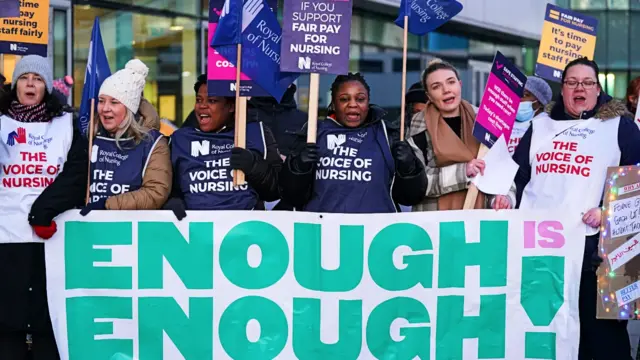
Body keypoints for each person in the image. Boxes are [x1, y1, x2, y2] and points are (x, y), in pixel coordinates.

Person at [513, 57, 640, 360]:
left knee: (606, 342)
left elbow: (636, 181)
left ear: (598, 89)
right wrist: (502, 197)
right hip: (545, 252)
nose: (579, 88)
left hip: (603, 253)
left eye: (587, 82)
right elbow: (515, 177)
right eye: (572, 82)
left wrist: (607, 210)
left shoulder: (620, 128)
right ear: (563, 89)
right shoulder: (539, 127)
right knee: (552, 334)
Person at [0, 55, 87, 359]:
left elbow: (76, 173)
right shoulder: (0, 122)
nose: (30, 84)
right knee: (7, 321)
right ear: (16, 84)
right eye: (25, 78)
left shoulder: (66, 123)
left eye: (37, 79)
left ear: (46, 87)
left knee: (47, 321)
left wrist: (44, 209)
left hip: (50, 236)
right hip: (7, 236)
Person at [279, 72, 427, 213]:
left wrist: (409, 169)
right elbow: (292, 197)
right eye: (344, 99)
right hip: (323, 235)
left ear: (368, 102)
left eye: (360, 99)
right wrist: (298, 168)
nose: (353, 104)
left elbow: (410, 197)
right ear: (334, 104)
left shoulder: (388, 135)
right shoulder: (313, 134)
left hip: (375, 234)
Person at [165, 74, 281, 217]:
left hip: (245, 232)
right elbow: (161, 185)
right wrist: (171, 200)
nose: (202, 106)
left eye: (212, 101)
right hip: (195, 232)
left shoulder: (255, 133)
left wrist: (254, 166)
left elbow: (278, 190)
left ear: (231, 106)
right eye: (198, 100)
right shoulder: (179, 140)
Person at [406, 58, 514, 211]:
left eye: (451, 82)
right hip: (435, 222)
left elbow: (504, 172)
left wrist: (504, 198)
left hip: (479, 220)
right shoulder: (419, 126)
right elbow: (418, 184)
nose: (446, 90)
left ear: (460, 84)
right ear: (429, 96)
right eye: (436, 86)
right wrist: (463, 172)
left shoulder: (485, 120)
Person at [81, 59, 171, 214]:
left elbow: (155, 192)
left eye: (114, 102)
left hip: (133, 233)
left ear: (129, 108)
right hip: (88, 231)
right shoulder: (89, 137)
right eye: (101, 101)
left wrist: (107, 205)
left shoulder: (152, 143)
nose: (105, 109)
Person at [508, 76, 552, 155]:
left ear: (540, 103)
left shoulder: (548, 126)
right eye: (517, 94)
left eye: (525, 95)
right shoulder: (504, 120)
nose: (519, 99)